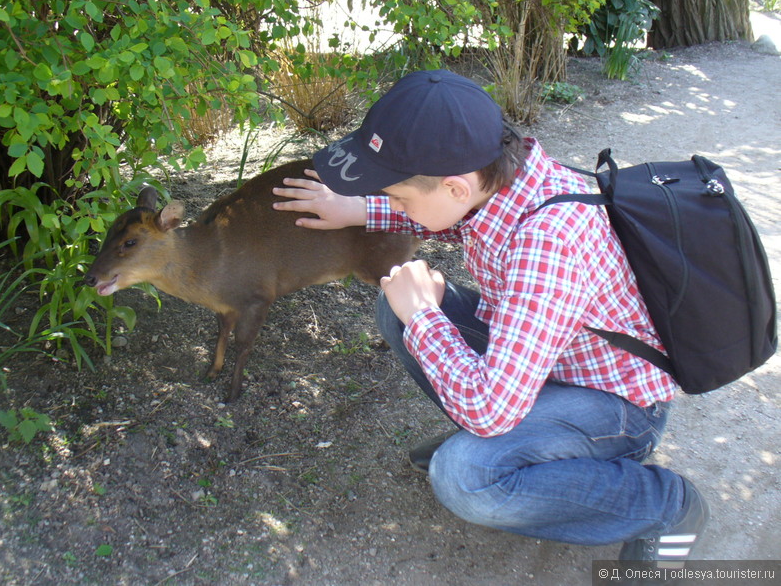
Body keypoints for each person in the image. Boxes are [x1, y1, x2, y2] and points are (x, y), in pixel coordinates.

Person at [271, 69, 709, 580]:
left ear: (455, 185)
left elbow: (490, 408)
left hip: (616, 404)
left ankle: (668, 506)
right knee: (398, 308)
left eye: (397, 196)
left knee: (465, 478)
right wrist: (359, 209)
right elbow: (448, 214)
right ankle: (513, 447)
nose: (395, 204)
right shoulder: (507, 180)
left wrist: (426, 317)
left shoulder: (547, 241)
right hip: (550, 358)